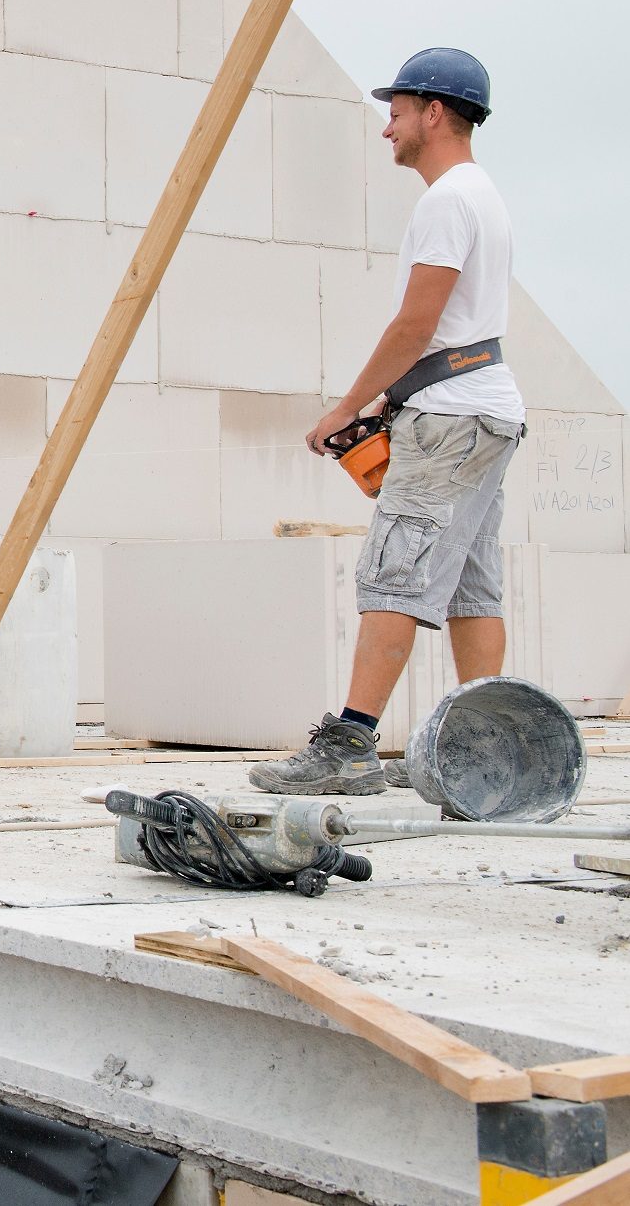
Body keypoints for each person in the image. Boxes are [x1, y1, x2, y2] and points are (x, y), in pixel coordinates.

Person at [251, 49, 524, 796]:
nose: (388, 130)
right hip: (484, 409)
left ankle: (350, 746)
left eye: (396, 112)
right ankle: (482, 748)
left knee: (392, 575)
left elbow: (417, 323)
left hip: (451, 419)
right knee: (471, 587)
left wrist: (347, 406)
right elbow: (456, 331)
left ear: (435, 112)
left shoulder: (444, 202)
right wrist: (390, 400)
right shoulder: (483, 194)